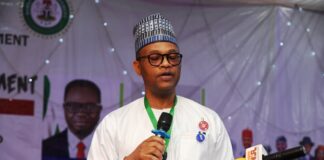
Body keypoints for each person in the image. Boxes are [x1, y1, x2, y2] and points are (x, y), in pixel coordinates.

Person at [87, 13, 234, 160]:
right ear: (138, 67)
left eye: (172, 57)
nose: (166, 63)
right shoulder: (113, 125)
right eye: (155, 58)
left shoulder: (209, 120)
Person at [42, 79, 102, 160]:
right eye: (73, 106)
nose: (81, 113)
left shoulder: (112, 148)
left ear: (99, 110)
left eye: (89, 107)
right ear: (64, 108)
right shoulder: (45, 148)